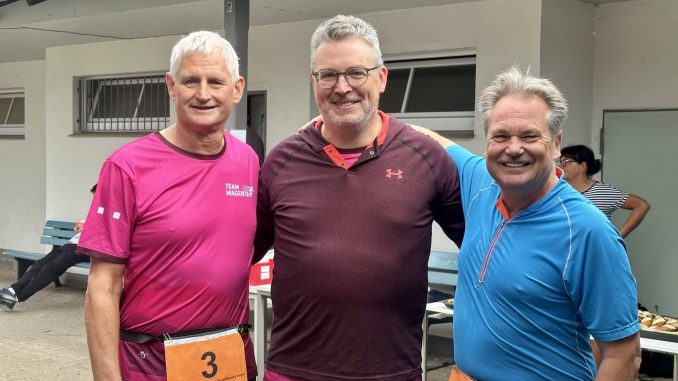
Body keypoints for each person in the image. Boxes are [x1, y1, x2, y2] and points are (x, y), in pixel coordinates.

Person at [253, 15, 465, 381]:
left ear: (381, 77)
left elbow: (482, 246)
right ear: (313, 82)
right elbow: (242, 250)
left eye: (356, 73)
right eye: (328, 75)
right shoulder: (283, 160)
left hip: (391, 371)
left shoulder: (426, 157)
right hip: (292, 371)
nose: (342, 87)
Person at [414, 66, 641, 380]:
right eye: (501, 136)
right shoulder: (480, 180)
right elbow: (432, 141)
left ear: (557, 143)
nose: (514, 148)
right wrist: (360, 124)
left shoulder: (588, 231)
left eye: (530, 136)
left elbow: (623, 354)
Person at [76, 31, 259, 381]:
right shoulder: (127, 167)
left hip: (231, 360)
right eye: (191, 81)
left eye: (215, 82)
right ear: (172, 87)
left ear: (236, 89)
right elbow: (102, 287)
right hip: (148, 364)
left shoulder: (248, 161)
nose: (203, 94)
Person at [0, 184, 96, 312]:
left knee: (51, 268)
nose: (94, 199)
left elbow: (105, 234)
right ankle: (13, 290)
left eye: (96, 196)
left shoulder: (110, 211)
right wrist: (81, 226)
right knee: (39, 264)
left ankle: (16, 297)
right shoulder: (97, 209)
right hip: (70, 245)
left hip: (84, 248)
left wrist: (88, 228)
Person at [560, 144, 650, 238]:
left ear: (582, 166)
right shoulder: (559, 192)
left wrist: (618, 237)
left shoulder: (603, 192)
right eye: (560, 162)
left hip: (594, 250)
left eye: (567, 162)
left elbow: (642, 205)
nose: (561, 166)